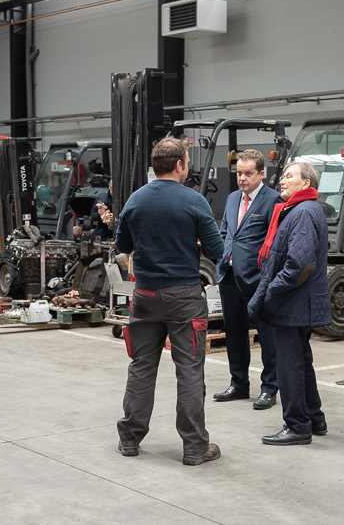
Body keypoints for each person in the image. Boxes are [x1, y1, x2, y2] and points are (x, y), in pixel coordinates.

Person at [115, 137, 225, 466]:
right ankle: (194, 447)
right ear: (179, 166)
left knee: (141, 367)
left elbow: (123, 244)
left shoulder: (135, 200)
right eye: (187, 162)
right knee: (189, 372)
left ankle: (130, 439)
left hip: (145, 296)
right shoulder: (194, 201)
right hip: (184, 298)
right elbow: (216, 252)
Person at [247, 162, 333, 445]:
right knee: (301, 361)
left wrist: (271, 291)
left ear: (306, 183)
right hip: (298, 302)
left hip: (293, 302)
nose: (282, 181)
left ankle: (297, 426)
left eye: (289, 176)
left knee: (290, 365)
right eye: (282, 176)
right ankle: (314, 418)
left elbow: (300, 264)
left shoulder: (304, 212)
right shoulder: (300, 210)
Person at [213, 149, 282, 409]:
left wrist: (267, 275)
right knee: (234, 332)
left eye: (248, 173)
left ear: (261, 174)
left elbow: (275, 242)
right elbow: (225, 232)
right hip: (229, 276)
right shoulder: (232, 198)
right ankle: (239, 383)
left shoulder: (273, 200)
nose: (242, 178)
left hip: (258, 279)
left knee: (267, 335)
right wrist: (222, 257)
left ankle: (270, 387)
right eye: (239, 173)